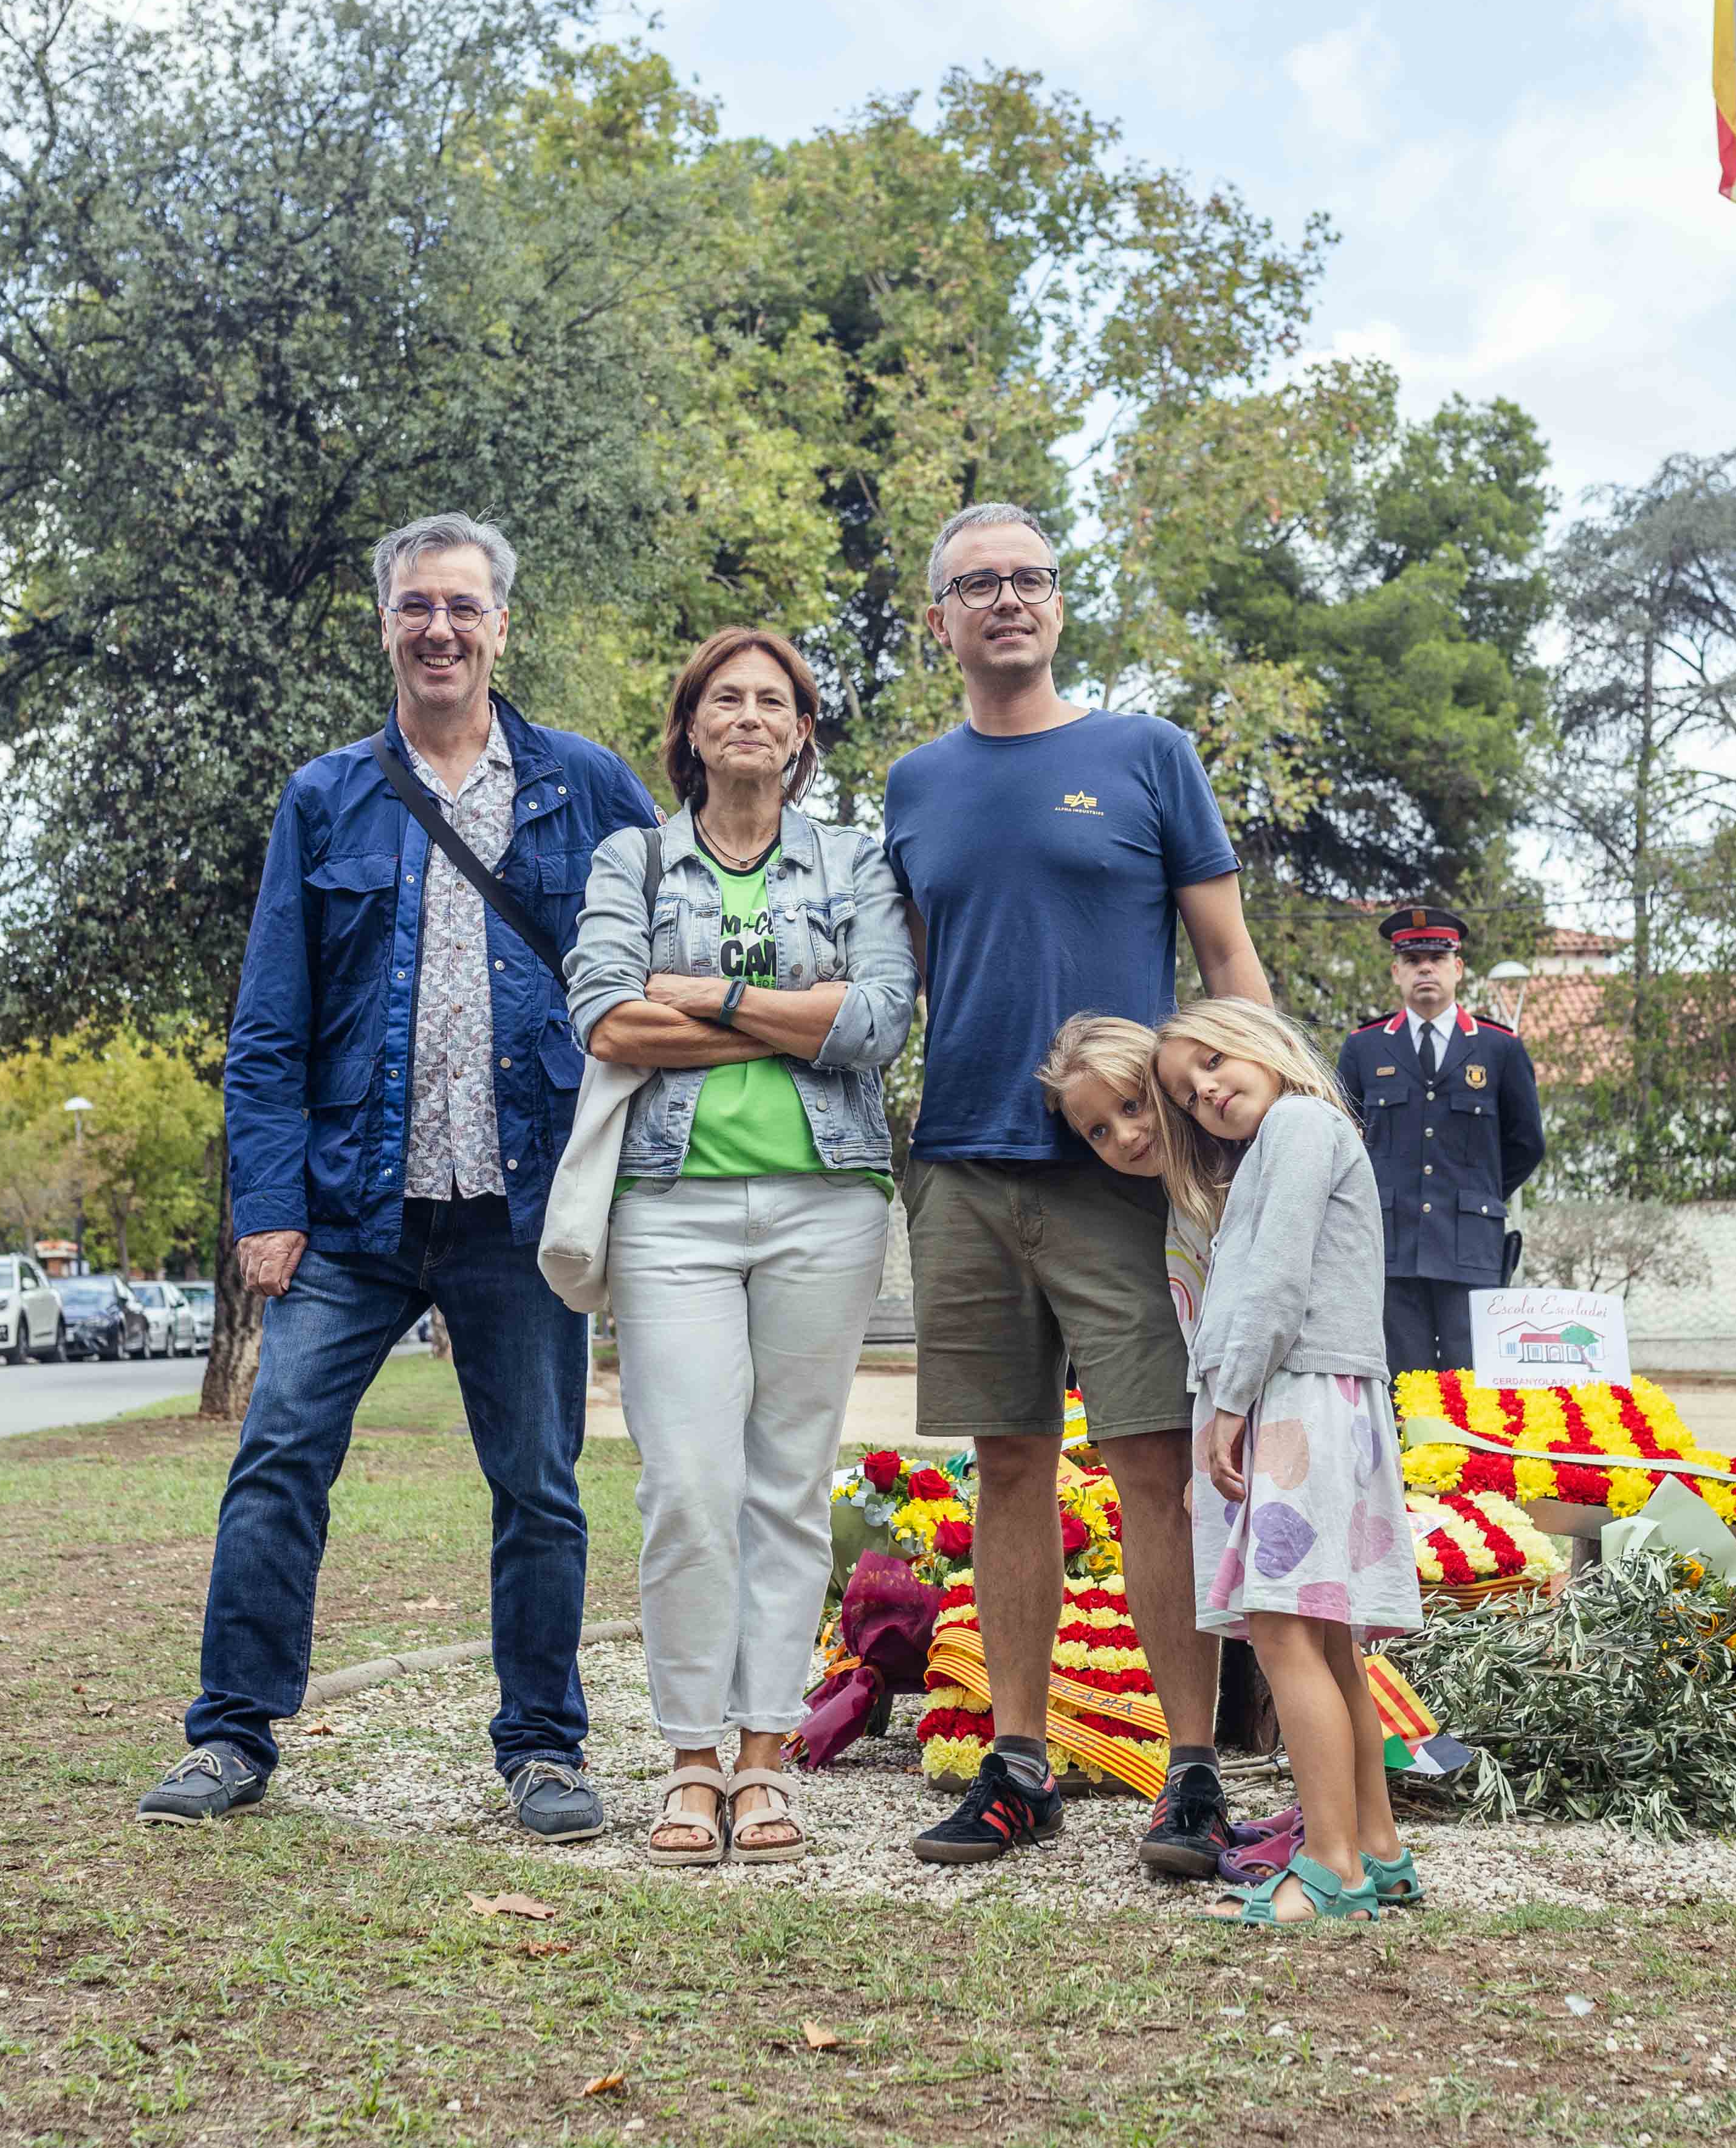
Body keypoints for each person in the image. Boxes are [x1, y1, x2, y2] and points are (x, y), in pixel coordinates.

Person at [142, 512, 658, 1836]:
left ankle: (542, 1747)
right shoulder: (327, 796)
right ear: (385, 624)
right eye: (416, 605)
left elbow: (664, 946)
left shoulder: (583, 785)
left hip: (521, 1208)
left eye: (464, 606)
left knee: (538, 1480)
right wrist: (267, 1208)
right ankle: (231, 1732)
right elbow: (266, 1025)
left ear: (502, 626)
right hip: (354, 1209)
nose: (440, 627)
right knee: (278, 1455)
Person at [883, 500, 1274, 1875]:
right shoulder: (913, 784)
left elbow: (1228, 963)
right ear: (939, 622)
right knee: (1005, 1467)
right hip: (965, 1170)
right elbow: (921, 974)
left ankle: (1189, 1770)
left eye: (1029, 579)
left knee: (1155, 1472)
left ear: (1059, 604)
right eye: (976, 584)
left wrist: (1255, 1133)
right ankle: (1018, 1764)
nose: (1006, 599)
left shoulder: (1145, 755)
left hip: (1125, 1176)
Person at [566, 627, 914, 1865]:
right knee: (685, 1488)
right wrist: (786, 1022)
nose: (752, 714)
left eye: (775, 699)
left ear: (804, 732)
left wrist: (701, 997)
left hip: (828, 1198)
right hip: (669, 1206)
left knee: (782, 1484)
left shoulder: (854, 859)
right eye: (728, 697)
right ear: (690, 725)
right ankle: (688, 1756)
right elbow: (605, 1013)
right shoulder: (633, 857)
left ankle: (764, 1755)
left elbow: (875, 1020)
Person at [1151, 997, 1422, 1924]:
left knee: (1283, 1630)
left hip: (1294, 1397)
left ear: (1265, 1044)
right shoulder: (1289, 1140)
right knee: (1324, 1634)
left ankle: (1331, 1865)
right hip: (1310, 1397)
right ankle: (1375, 1845)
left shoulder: (1300, 1123)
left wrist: (1227, 1403)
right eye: (1188, 1093)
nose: (1208, 1090)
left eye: (1216, 1061)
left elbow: (1274, 1281)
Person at [1337, 907, 1543, 1377]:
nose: (1425, 968)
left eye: (1436, 956)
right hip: (1391, 1249)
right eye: (1413, 960)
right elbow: (1343, 1140)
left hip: (1471, 1248)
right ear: (1396, 972)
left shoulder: (1500, 1047)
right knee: (1399, 1392)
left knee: (1472, 1388)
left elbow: (1527, 1142)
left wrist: (1479, 1194)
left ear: (1458, 968)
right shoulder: (1364, 1048)